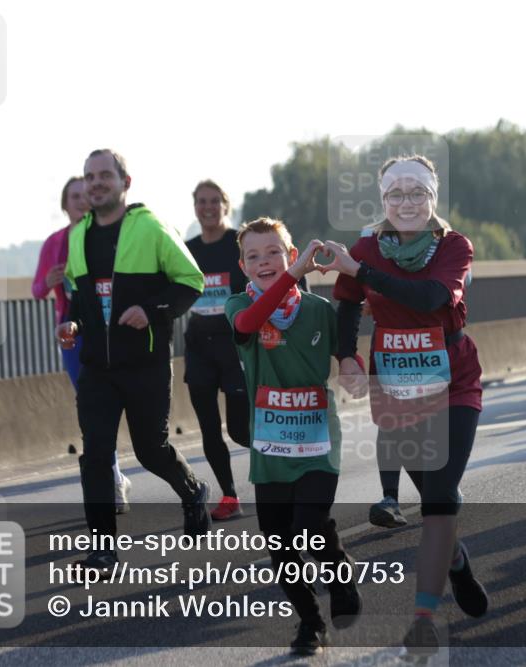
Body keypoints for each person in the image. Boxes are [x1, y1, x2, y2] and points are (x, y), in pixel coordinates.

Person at [327, 155, 489, 659]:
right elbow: (347, 300)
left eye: (416, 192)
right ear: (383, 200)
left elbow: (430, 296)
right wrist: (346, 357)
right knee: (434, 502)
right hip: (395, 387)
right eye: (395, 194)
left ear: (432, 198)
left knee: (441, 496)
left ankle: (422, 617)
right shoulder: (367, 247)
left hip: (455, 383)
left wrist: (360, 268)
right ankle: (457, 563)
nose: (406, 202)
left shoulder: (453, 246)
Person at [56, 149, 210, 568]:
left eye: (105, 175)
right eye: (90, 177)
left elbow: (190, 282)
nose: (96, 183)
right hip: (96, 368)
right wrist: (73, 324)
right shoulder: (78, 234)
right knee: (96, 453)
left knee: (150, 449)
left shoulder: (151, 227)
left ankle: (193, 489)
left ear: (126, 181)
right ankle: (103, 548)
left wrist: (152, 310)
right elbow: (78, 295)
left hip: (145, 363)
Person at [225, 218, 361, 657]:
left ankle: (338, 572)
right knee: (279, 545)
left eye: (273, 253)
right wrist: (293, 274)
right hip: (271, 447)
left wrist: (353, 363)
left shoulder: (320, 311)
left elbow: (346, 348)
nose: (263, 261)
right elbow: (248, 324)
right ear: (243, 266)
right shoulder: (236, 307)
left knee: (308, 528)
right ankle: (311, 624)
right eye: (253, 256)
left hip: (318, 441)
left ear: (289, 253)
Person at [35, 176, 132, 513]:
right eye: (72, 196)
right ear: (65, 204)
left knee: (115, 407)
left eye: (83, 195)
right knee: (92, 411)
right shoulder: (55, 242)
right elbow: (36, 289)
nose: (79, 201)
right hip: (73, 335)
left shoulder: (109, 236)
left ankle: (113, 475)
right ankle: (115, 479)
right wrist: (49, 282)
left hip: (110, 330)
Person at [183, 180, 250, 521]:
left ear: (225, 204)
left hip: (234, 345)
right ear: (194, 207)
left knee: (240, 429)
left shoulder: (238, 244)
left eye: (214, 201)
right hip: (198, 344)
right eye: (201, 202)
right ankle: (230, 496)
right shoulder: (187, 248)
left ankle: (288, 464)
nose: (207, 207)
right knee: (209, 427)